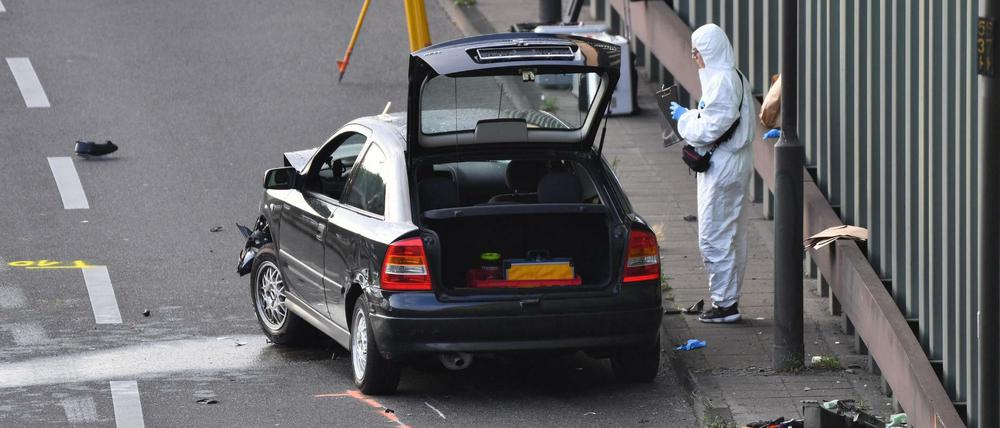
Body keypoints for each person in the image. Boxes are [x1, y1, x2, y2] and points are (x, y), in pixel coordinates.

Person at [667, 24, 755, 323]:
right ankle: (727, 300)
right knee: (731, 235)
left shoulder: (722, 82)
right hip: (734, 162)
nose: (694, 57)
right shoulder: (732, 78)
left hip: (724, 167)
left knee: (713, 236)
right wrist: (692, 115)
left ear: (711, 50)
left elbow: (708, 128)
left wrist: (683, 118)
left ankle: (725, 305)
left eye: (698, 51)